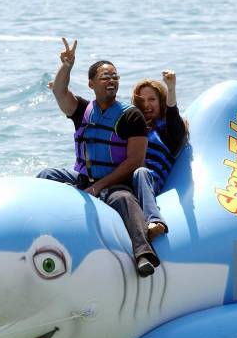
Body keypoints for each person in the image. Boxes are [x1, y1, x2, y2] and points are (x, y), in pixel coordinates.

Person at [37, 37, 159, 277]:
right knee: (46, 175)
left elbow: (135, 161)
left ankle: (143, 253)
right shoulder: (81, 110)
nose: (111, 81)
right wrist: (67, 66)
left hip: (115, 183)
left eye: (115, 77)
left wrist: (99, 187)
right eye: (105, 77)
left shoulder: (131, 116)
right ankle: (34, 233)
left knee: (124, 199)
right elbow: (60, 91)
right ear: (91, 83)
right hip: (83, 179)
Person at [130, 71, 188, 241]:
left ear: (161, 102)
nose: (146, 104)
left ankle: (155, 221)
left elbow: (173, 115)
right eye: (141, 100)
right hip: (124, 181)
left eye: (152, 99)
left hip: (149, 182)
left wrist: (171, 88)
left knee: (141, 172)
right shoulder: (132, 128)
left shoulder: (169, 132)